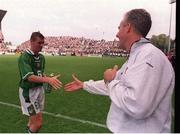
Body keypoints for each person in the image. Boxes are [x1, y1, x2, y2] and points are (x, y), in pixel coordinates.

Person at [64, 9, 175, 133]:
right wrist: (84, 85)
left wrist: (111, 81)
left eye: (119, 28)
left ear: (128, 27)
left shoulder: (149, 56)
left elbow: (138, 105)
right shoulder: (138, 55)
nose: (117, 34)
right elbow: (118, 86)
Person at [18, 32, 62, 133]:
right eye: (39, 43)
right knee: (37, 123)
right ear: (31, 42)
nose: (41, 45)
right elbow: (29, 77)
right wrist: (48, 80)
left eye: (43, 43)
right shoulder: (24, 57)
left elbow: (39, 74)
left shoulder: (41, 57)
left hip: (39, 91)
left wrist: (47, 78)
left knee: (32, 122)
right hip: (28, 94)